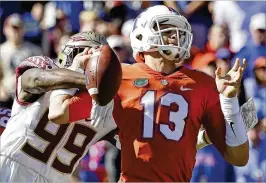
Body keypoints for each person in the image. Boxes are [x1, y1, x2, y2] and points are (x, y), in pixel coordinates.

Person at [54, 5, 249, 182]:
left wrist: (230, 100)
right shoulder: (120, 76)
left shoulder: (203, 84)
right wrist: (71, 72)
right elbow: (61, 113)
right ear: (142, 36)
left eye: (177, 30)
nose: (175, 35)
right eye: (166, 28)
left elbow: (239, 157)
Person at [0, 31, 118, 182]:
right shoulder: (46, 69)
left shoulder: (109, 105)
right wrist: (96, 82)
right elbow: (36, 79)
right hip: (9, 166)